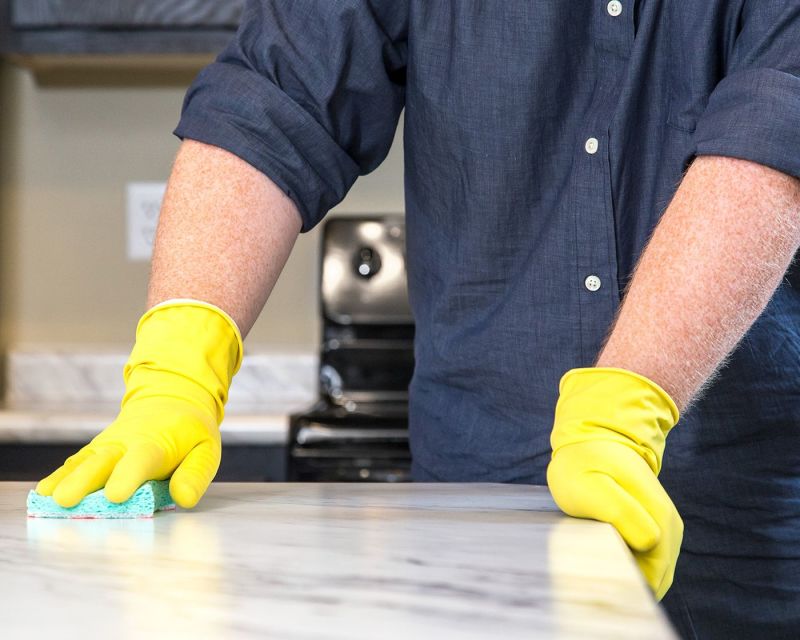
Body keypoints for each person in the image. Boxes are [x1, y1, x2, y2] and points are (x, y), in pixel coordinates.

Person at [34, 2, 800, 638]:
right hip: (480, 523)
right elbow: (274, 96)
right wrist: (177, 365)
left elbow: (774, 133)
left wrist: (629, 405)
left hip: (750, 529)